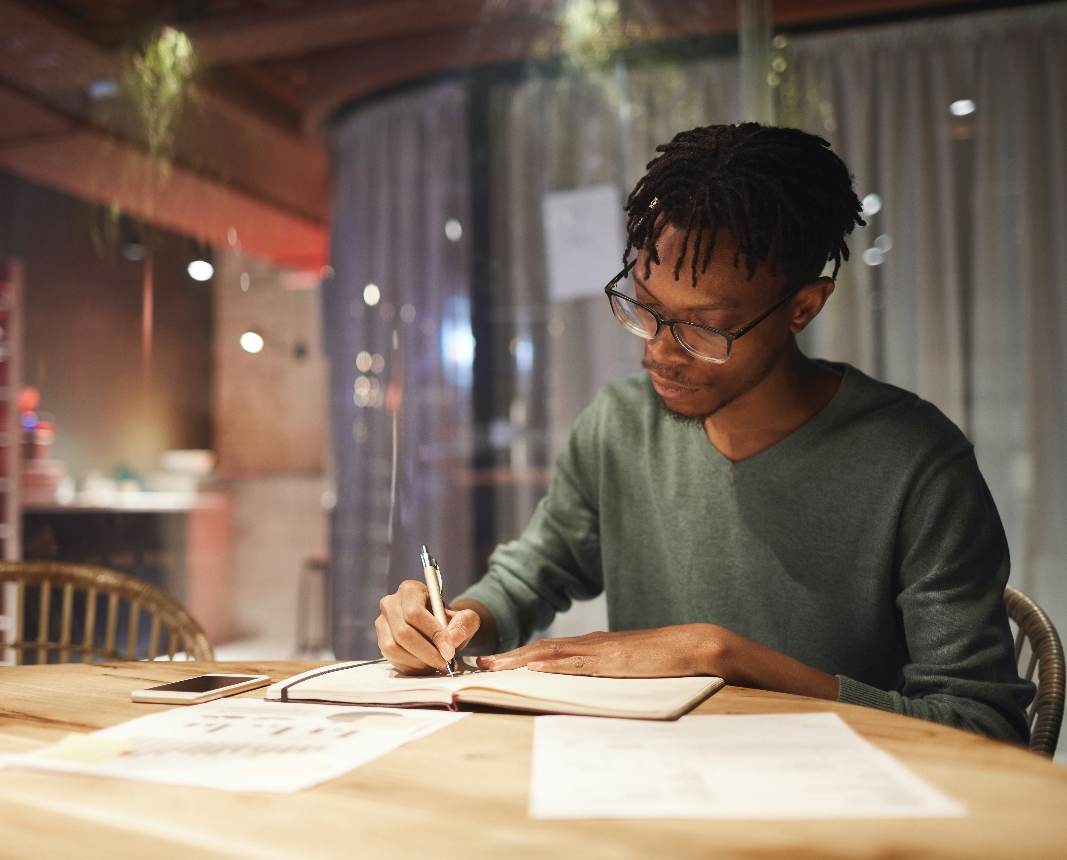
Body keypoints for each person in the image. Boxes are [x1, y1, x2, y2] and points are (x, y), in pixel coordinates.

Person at [375, 123, 1034, 744]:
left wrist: (723, 657)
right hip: (654, 781)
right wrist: (455, 619)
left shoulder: (916, 463)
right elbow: (535, 572)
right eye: (647, 309)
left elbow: (979, 726)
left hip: (843, 811)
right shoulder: (622, 425)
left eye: (705, 327)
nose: (660, 352)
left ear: (804, 306)